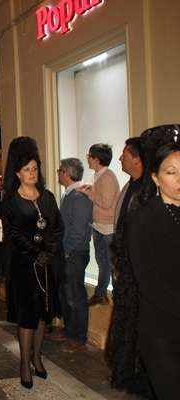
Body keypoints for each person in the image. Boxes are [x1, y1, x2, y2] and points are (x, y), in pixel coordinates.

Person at [0, 137, 63, 389]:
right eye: (27, 169)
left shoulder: (47, 197)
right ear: (18, 173)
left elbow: (57, 228)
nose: (32, 173)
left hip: (46, 265)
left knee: (43, 315)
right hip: (24, 267)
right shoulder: (11, 201)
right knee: (27, 316)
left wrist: (49, 251)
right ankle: (25, 363)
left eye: (35, 168)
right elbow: (13, 234)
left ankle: (38, 357)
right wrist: (35, 253)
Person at [126, 138, 180, 400]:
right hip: (162, 328)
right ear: (156, 178)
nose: (179, 179)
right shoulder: (143, 218)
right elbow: (147, 279)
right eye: (171, 172)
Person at [106, 136, 152, 395]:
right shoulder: (130, 186)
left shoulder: (148, 190)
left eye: (124, 153)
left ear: (137, 159)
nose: (120, 157)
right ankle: (125, 370)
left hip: (139, 271)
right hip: (124, 266)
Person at [57, 158, 92, 353]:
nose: (58, 173)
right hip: (68, 252)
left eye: (60, 170)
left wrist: (67, 250)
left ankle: (78, 337)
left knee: (75, 296)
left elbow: (79, 230)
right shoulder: (70, 194)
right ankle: (69, 330)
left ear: (67, 173)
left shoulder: (79, 197)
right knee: (66, 294)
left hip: (75, 253)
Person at [77, 144, 120, 306]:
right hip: (99, 226)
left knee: (110, 264)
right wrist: (90, 189)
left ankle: (113, 296)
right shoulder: (99, 175)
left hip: (107, 228)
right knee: (103, 262)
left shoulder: (107, 177)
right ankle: (101, 294)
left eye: (89, 156)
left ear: (97, 159)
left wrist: (88, 192)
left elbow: (106, 202)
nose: (87, 159)